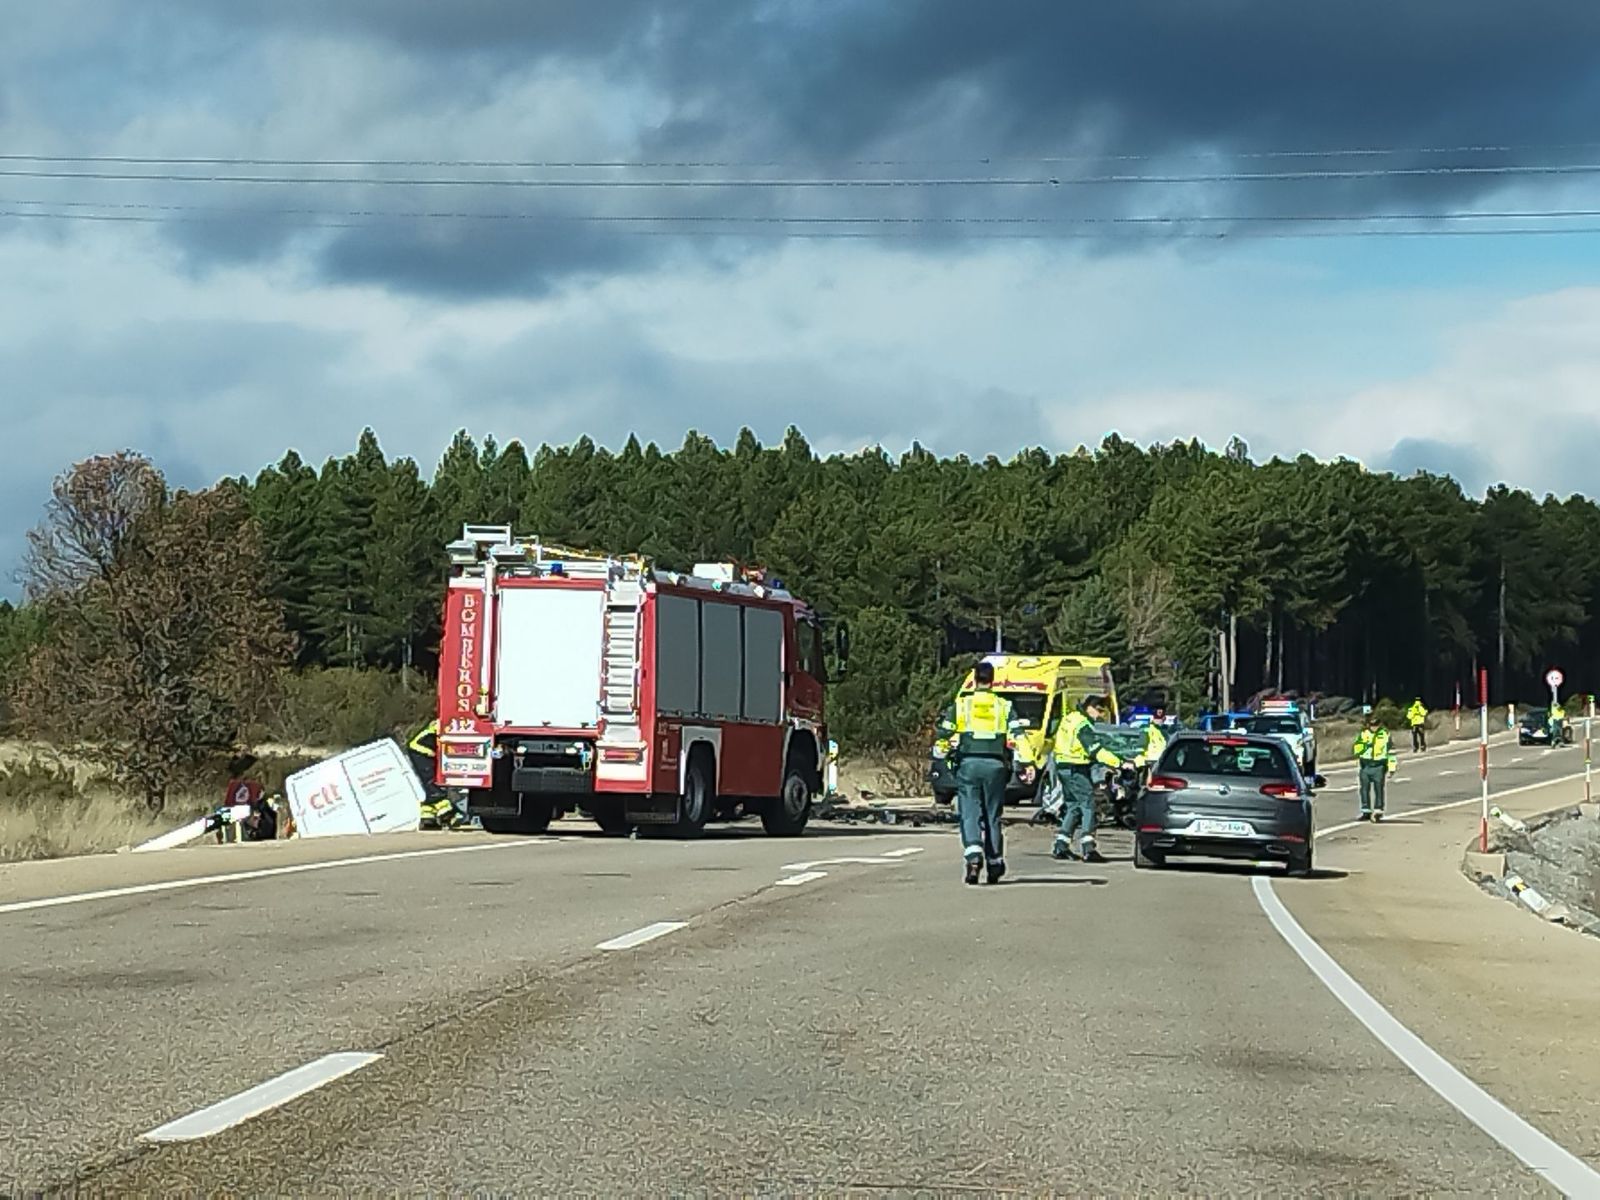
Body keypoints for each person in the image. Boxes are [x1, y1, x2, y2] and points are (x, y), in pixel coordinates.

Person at [935, 660, 1023, 885]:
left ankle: (974, 858)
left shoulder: (962, 704)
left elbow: (944, 733)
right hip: (995, 765)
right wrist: (1027, 763)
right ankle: (995, 863)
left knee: (970, 812)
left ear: (974, 679)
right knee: (992, 815)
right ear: (992, 680)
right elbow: (1018, 736)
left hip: (969, 764)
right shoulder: (1004, 705)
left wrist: (942, 753)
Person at [1052, 694, 1126, 862]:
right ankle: (1088, 848)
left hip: (1063, 766)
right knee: (1088, 804)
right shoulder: (1083, 725)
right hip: (1075, 768)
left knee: (1073, 807)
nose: (1099, 715)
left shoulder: (1070, 718)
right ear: (1089, 707)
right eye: (1098, 710)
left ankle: (1061, 846)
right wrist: (1119, 762)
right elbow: (1095, 750)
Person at [408, 719, 461, 829]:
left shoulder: (438, 725)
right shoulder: (442, 725)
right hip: (421, 751)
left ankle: (428, 818)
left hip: (419, 750)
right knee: (431, 783)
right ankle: (447, 813)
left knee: (428, 786)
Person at [1352, 713, 1395, 822]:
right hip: (1365, 765)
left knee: (1378, 788)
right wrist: (1365, 746)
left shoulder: (1385, 735)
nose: (1374, 727)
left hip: (1379, 765)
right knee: (1364, 789)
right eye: (1372, 725)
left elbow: (1390, 752)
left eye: (1376, 724)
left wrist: (1391, 768)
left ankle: (1378, 811)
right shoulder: (1363, 734)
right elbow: (1356, 748)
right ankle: (1365, 811)